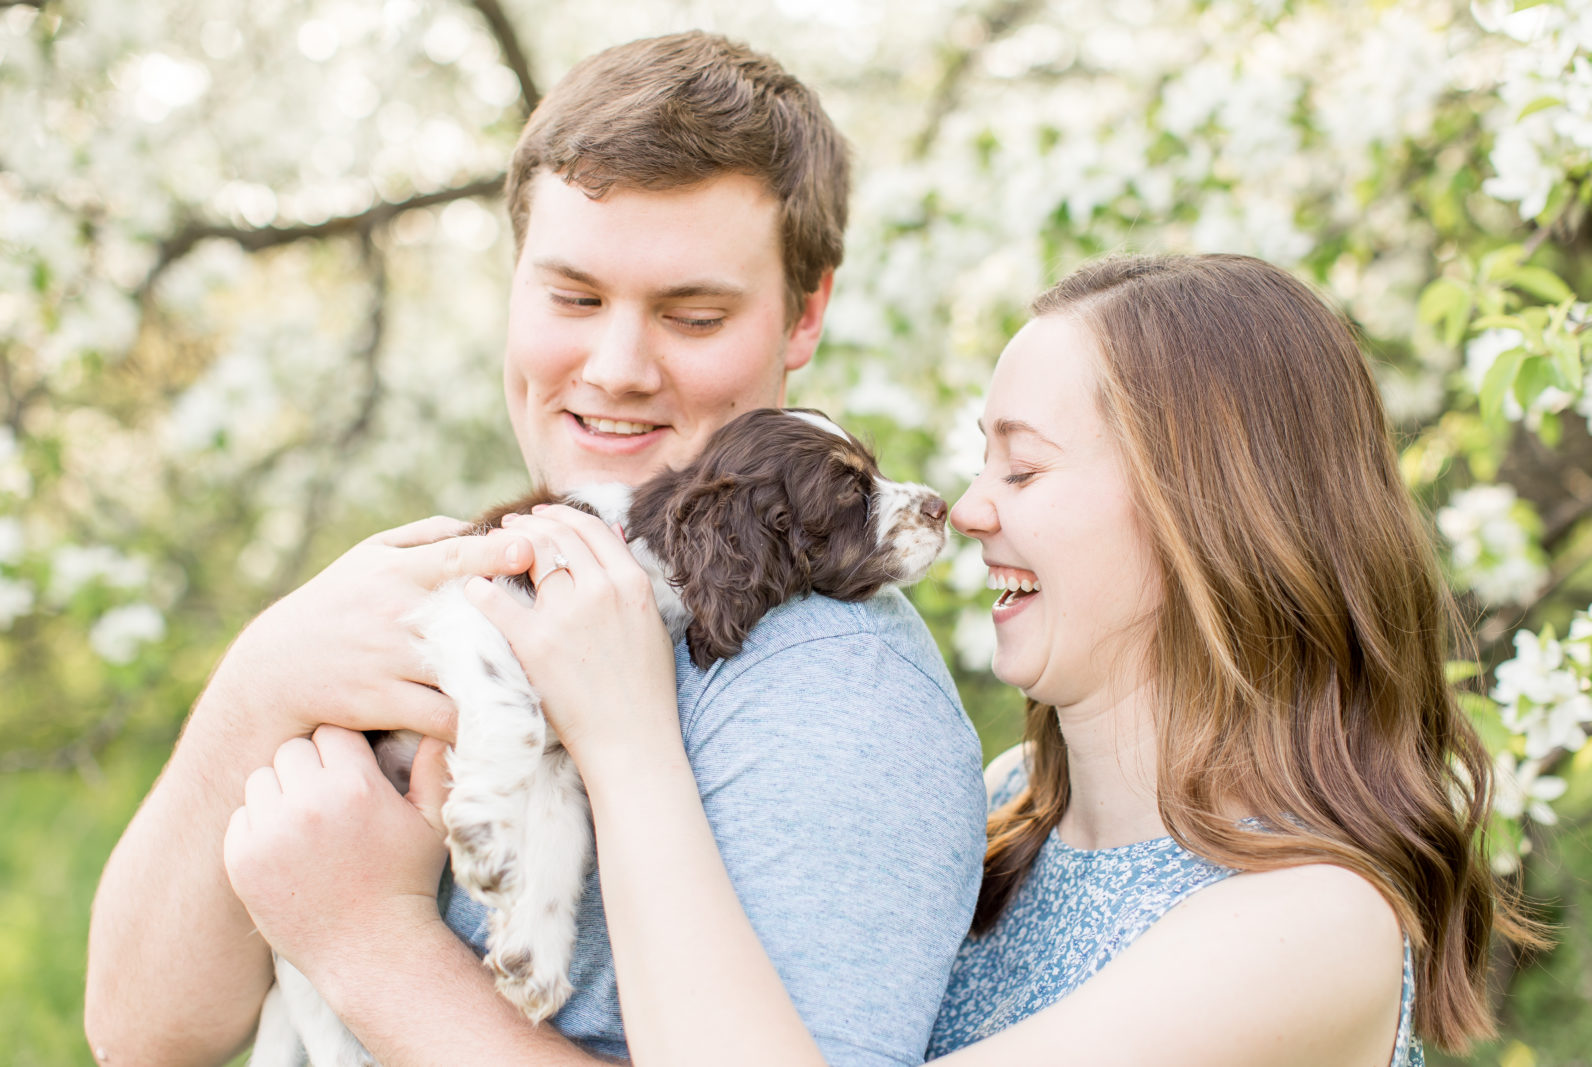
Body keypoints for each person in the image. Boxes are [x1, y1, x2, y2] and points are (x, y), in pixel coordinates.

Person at [84, 32, 986, 1066]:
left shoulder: (827, 682)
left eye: (692, 314)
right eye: (571, 297)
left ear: (804, 314)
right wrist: (257, 687)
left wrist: (370, 944)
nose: (615, 368)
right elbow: (139, 1034)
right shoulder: (447, 576)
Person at [473, 253, 1542, 1066]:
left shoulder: (1311, 923)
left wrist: (625, 747)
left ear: (1203, 514)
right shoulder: (1002, 810)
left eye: (1023, 469)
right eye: (983, 459)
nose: (972, 508)